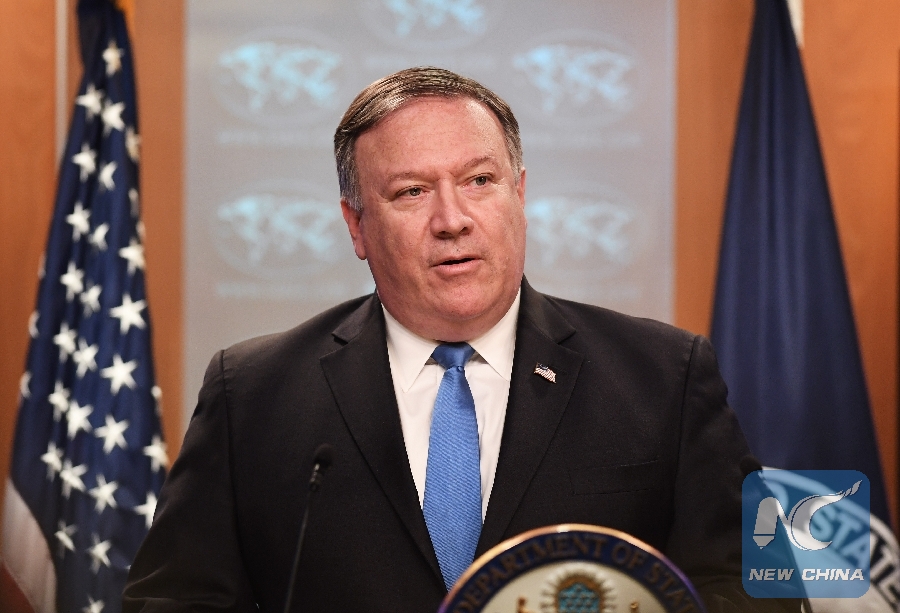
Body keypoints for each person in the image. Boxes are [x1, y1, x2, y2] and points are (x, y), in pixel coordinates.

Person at [123, 67, 798, 612]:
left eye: (479, 181)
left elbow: (759, 588)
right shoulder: (253, 394)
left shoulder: (664, 377)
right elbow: (174, 600)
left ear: (519, 195)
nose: (453, 219)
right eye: (411, 192)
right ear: (356, 226)